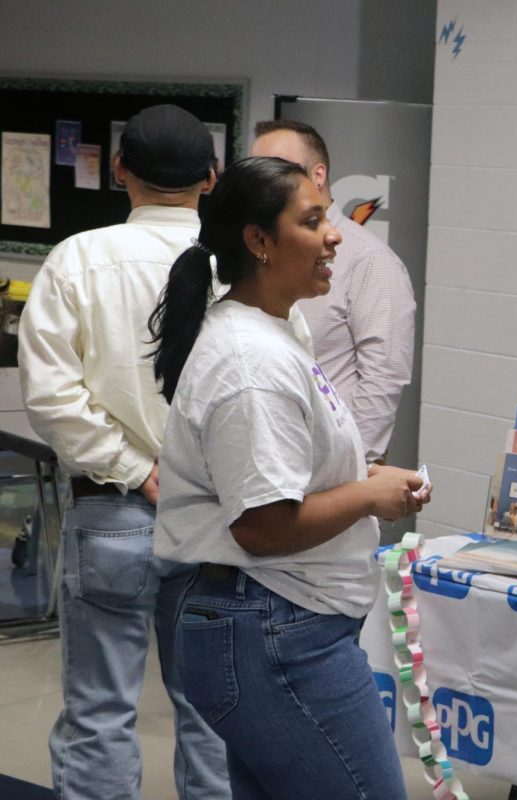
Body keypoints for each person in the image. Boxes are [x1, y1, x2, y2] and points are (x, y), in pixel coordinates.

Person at [148, 156, 428, 799]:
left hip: (275, 623)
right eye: (312, 221)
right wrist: (365, 495)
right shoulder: (251, 360)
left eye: (327, 217)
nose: (335, 235)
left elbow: (280, 477)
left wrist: (364, 476)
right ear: (259, 241)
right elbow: (263, 527)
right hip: (273, 630)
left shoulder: (276, 332)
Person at [18, 104, 230, 800]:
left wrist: (140, 473)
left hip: (110, 520)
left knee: (100, 712)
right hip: (220, 524)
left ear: (118, 172)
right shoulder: (243, 265)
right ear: (212, 175)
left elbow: (51, 400)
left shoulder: (77, 259)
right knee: (212, 717)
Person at [250, 119, 416, 463]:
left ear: (318, 176)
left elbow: (382, 380)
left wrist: (349, 469)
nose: (262, 181)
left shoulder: (369, 260)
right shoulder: (259, 248)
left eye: (278, 169)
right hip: (261, 456)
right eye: (255, 170)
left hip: (327, 469)